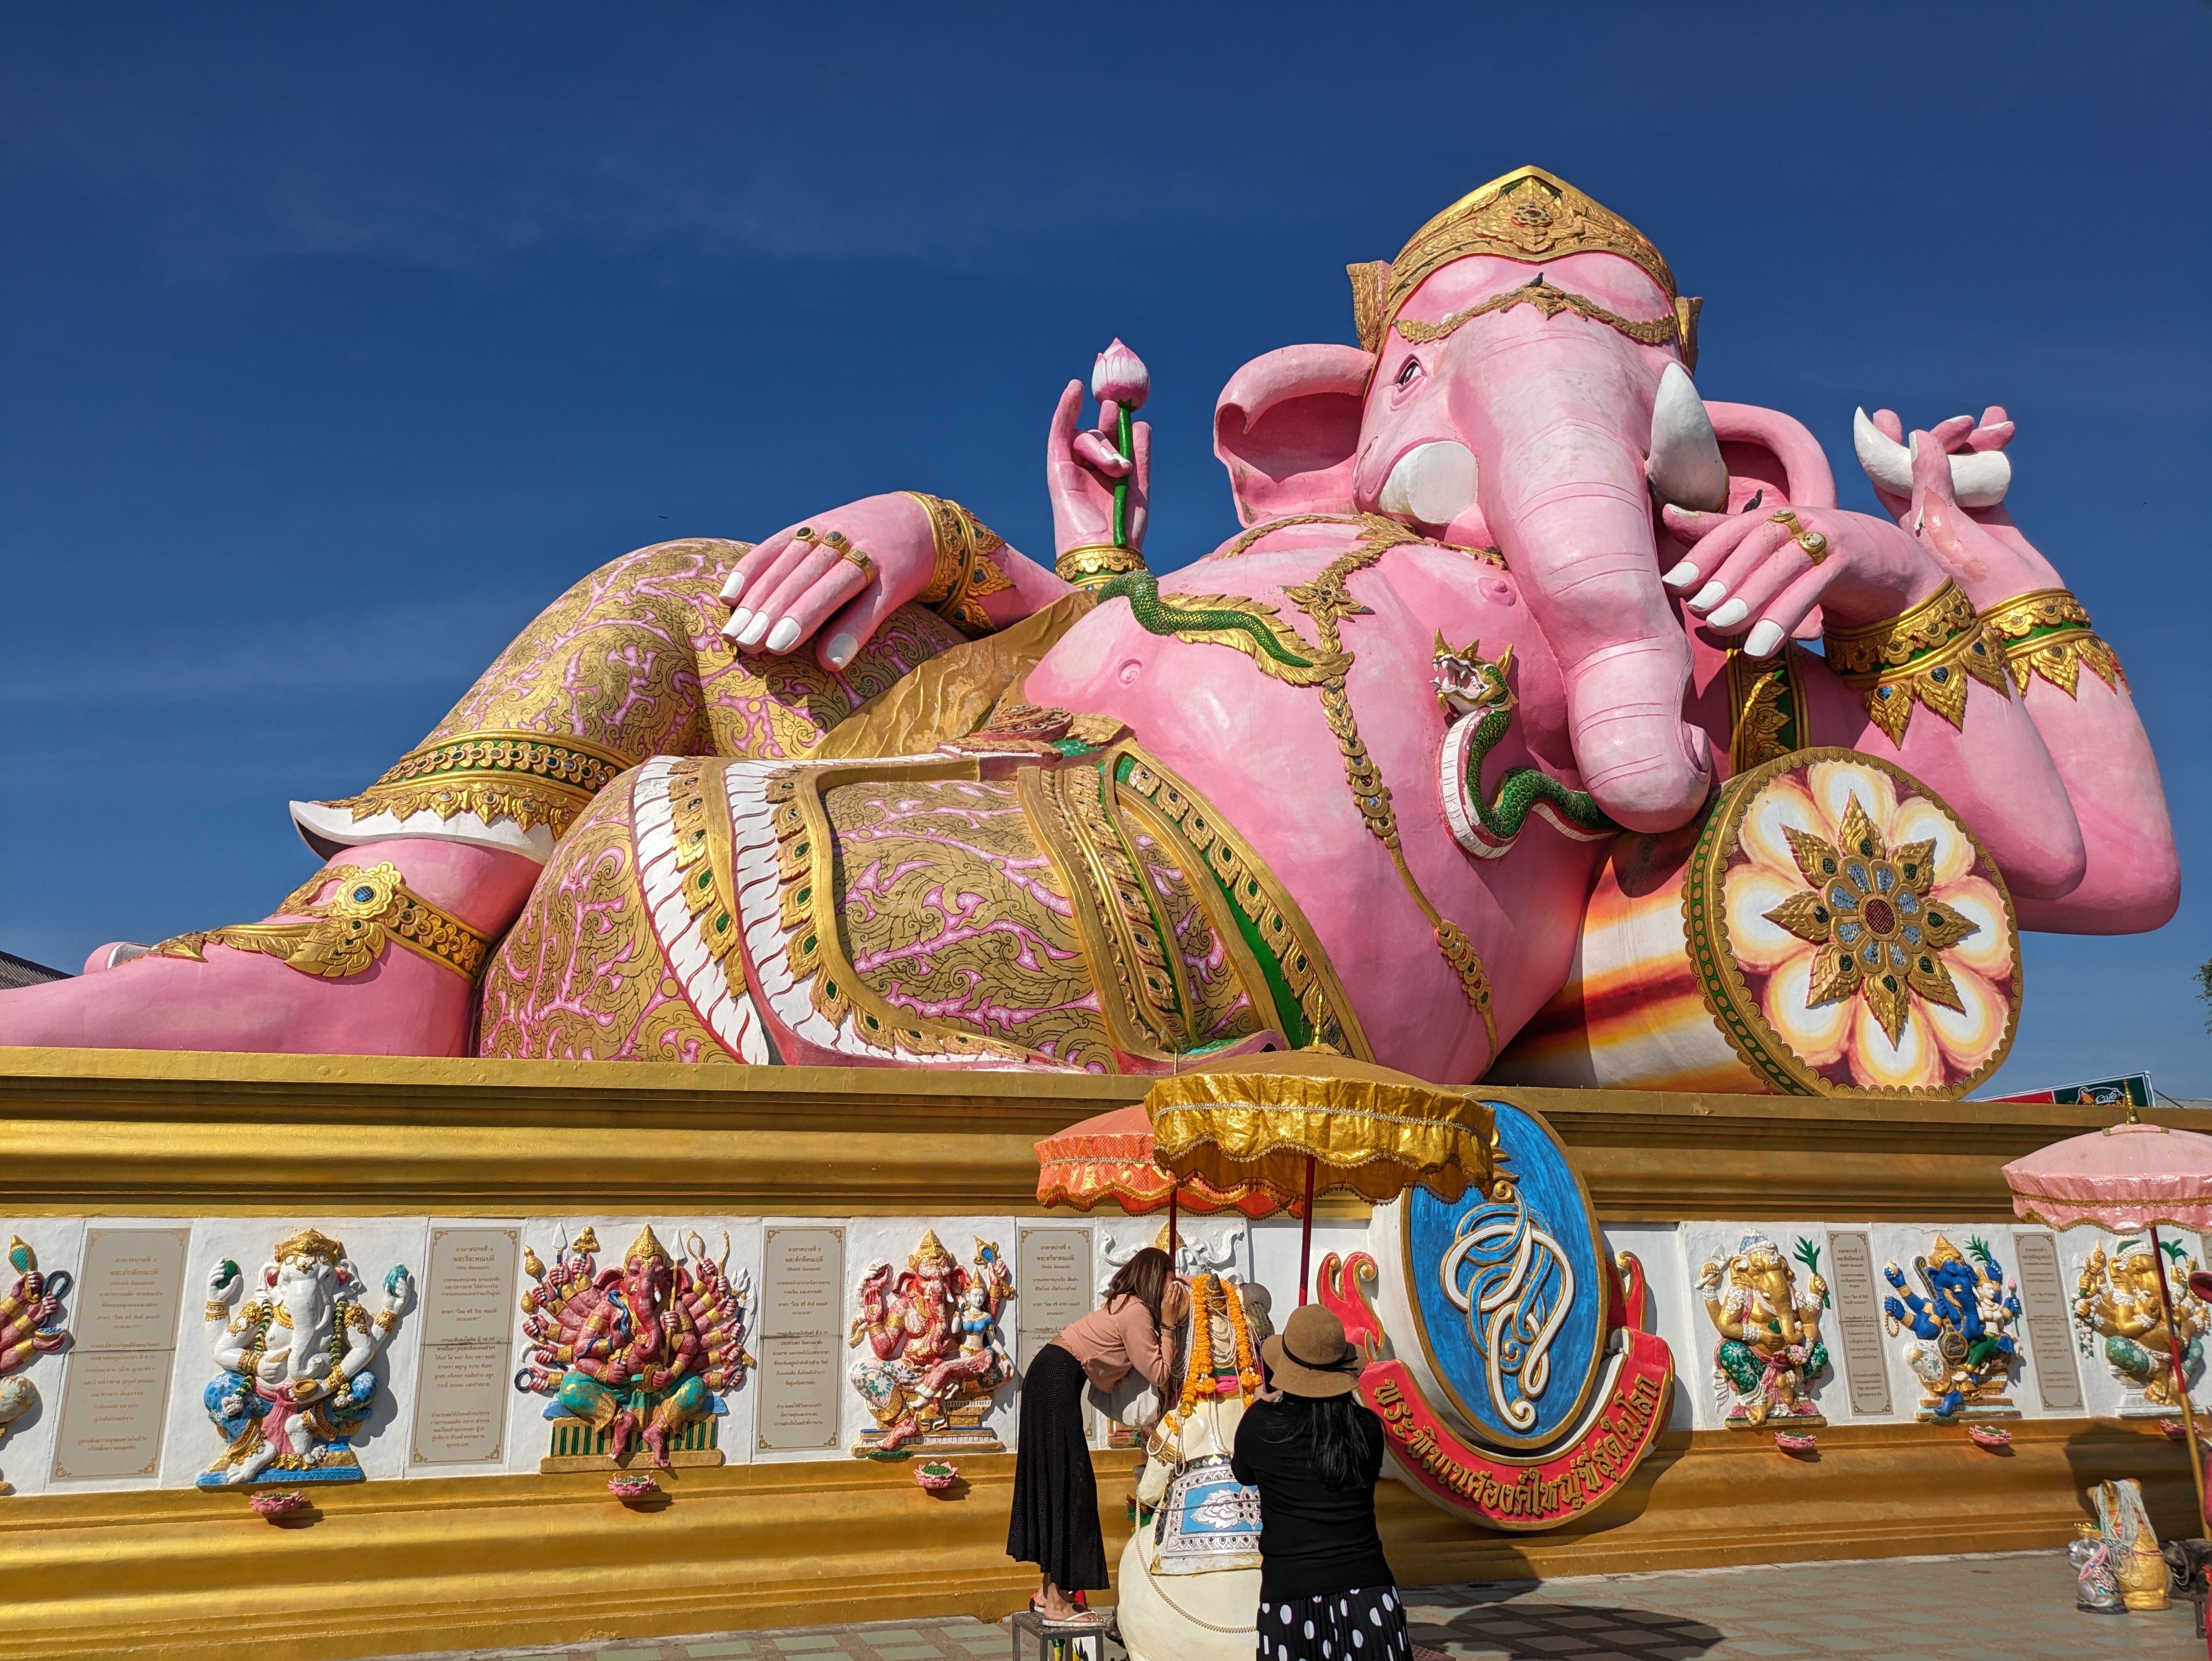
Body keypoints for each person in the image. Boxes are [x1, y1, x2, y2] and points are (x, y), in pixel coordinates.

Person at [1010, 1244, 1190, 1628]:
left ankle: (1048, 1592)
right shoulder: (1138, 1312)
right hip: (1057, 1381)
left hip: (1050, 1375)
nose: (1171, 1292)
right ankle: (1059, 1603)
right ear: (1155, 1281)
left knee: (1059, 1481)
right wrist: (1171, 1325)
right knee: (1071, 1486)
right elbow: (1158, 1372)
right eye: (1169, 1282)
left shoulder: (1124, 1303)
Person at [1232, 1305, 1409, 1661]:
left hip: (1291, 1600)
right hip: (1370, 1596)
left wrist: (1259, 1412)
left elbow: (1244, 1474)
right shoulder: (1368, 1428)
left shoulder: (1261, 1426)